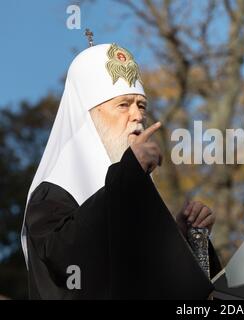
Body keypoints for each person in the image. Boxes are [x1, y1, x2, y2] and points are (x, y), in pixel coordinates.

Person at [21, 42, 221, 299]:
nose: (138, 116)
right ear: (89, 118)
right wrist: (128, 175)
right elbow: (69, 263)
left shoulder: (125, 190)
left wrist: (180, 240)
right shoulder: (52, 194)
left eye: (141, 106)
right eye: (124, 105)